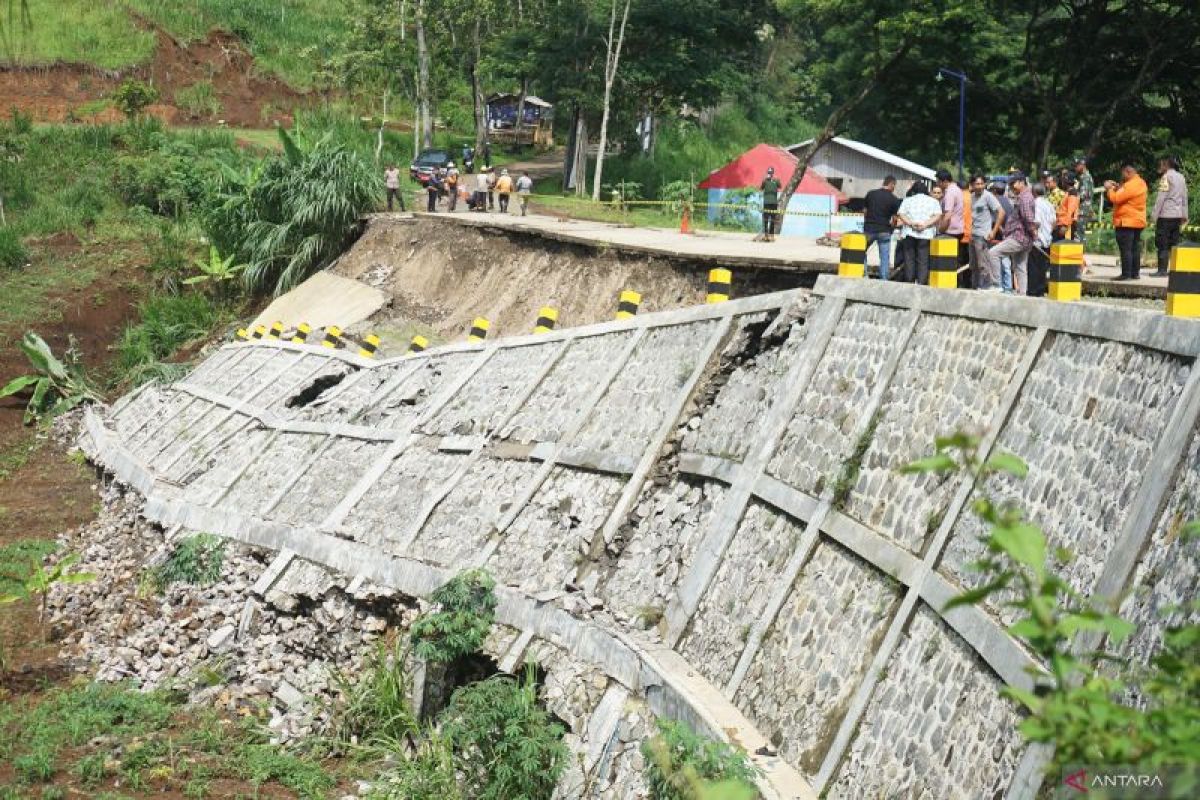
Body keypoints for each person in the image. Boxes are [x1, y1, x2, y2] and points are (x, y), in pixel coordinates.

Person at [988, 173, 1036, 295]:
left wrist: (1034, 232)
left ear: (1021, 182)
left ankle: (996, 284)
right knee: (1020, 266)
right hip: (1023, 238)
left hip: (1019, 237)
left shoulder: (1025, 198)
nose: (1011, 187)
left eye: (1012, 184)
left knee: (993, 253)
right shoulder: (1025, 196)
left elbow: (1028, 218)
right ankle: (1023, 293)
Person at [1105, 163, 1148, 280]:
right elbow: (1125, 194)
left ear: (1128, 172)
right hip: (1138, 221)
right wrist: (1118, 187)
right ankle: (1135, 273)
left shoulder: (1130, 185)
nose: (1122, 175)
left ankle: (1126, 274)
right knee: (1135, 248)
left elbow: (1116, 198)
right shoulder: (1141, 182)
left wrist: (1109, 189)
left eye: (1123, 173)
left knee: (1126, 249)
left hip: (1126, 221)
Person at [894, 181, 942, 284]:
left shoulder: (907, 200)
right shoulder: (933, 201)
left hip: (909, 233)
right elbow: (938, 215)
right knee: (923, 260)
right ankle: (921, 282)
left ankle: (909, 281)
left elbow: (901, 214)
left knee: (909, 259)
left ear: (914, 190)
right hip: (926, 234)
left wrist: (911, 224)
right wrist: (925, 224)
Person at [1151, 155, 1189, 276]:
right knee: (1174, 243)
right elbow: (1184, 197)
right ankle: (1174, 270)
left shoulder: (1166, 178)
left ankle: (1162, 270)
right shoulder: (1181, 177)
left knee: (1162, 243)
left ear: (1166, 165)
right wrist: (1184, 215)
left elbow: (1160, 198)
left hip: (1165, 215)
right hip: (1177, 216)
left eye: (1162, 164)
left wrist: (1154, 216)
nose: (1160, 166)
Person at [969, 174, 1005, 289]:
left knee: (983, 264)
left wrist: (993, 231)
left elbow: (1001, 212)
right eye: (977, 184)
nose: (979, 186)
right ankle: (975, 287)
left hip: (983, 236)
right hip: (972, 235)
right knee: (973, 265)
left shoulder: (988, 196)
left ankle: (986, 286)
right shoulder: (972, 197)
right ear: (972, 185)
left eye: (981, 184)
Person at [862, 176, 901, 279]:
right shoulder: (894, 199)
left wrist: (868, 222)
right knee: (884, 257)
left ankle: (864, 275)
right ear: (892, 184)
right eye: (894, 186)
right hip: (884, 230)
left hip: (869, 229)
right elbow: (894, 219)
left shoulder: (871, 194)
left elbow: (865, 211)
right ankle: (884, 279)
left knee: (861, 251)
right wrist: (892, 229)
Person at [1028, 183, 1056, 297]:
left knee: (1033, 266)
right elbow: (1054, 222)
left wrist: (1033, 235)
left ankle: (1033, 291)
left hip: (1037, 241)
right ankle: (1040, 290)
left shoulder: (1035, 204)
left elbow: (1036, 222)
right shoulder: (1049, 204)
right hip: (1047, 239)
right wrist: (1048, 232)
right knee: (1043, 267)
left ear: (1033, 192)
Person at [1073, 157, 1094, 242]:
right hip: (1083, 209)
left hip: (1083, 209)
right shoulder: (1084, 176)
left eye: (1076, 165)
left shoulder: (1085, 177)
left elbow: (1083, 195)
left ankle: (1079, 254)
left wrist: (1073, 196)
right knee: (1080, 233)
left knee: (1079, 235)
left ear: (1082, 165)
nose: (1075, 168)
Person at [760, 167, 782, 241]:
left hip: (773, 203)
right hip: (766, 202)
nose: (770, 174)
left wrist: (775, 180)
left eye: (771, 173)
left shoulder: (776, 180)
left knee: (772, 219)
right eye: (769, 173)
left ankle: (771, 235)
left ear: (773, 173)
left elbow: (780, 186)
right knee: (766, 219)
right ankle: (766, 235)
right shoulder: (765, 181)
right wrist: (765, 180)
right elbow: (761, 188)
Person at [1055, 176, 1080, 241]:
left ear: (1066, 183)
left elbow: (1071, 211)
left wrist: (1065, 225)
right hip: (1062, 222)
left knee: (1066, 247)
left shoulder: (1072, 193)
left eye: (1063, 182)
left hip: (1066, 224)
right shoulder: (1069, 192)